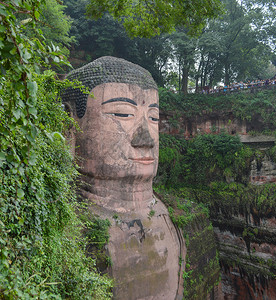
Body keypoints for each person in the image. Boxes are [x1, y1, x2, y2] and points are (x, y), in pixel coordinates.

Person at [62, 56, 185, 300]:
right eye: (122, 113)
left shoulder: (171, 219)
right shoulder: (65, 231)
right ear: (70, 122)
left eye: (153, 118)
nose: (146, 139)